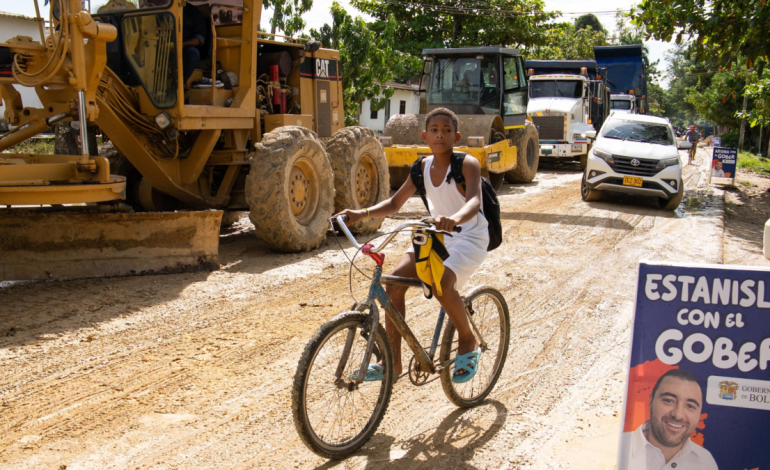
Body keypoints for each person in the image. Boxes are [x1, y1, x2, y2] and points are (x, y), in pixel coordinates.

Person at [335, 107, 488, 383]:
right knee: (393, 284)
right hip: (435, 234)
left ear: (457, 137)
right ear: (424, 136)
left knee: (442, 283)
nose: (440, 135)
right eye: (434, 130)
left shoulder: (467, 164)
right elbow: (395, 203)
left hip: (468, 235)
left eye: (446, 130)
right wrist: (361, 213)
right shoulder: (421, 168)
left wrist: (454, 219)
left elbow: (475, 201)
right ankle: (392, 363)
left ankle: (468, 340)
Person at [618, 369, 718, 470]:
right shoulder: (618, 447)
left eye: (690, 406)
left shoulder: (705, 461)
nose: (678, 415)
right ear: (651, 402)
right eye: (669, 401)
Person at [182, 2, 207, 84]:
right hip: (163, 46)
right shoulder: (163, 8)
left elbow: (199, 39)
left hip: (184, 47)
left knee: (193, 53)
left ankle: (178, 85)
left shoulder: (193, 11)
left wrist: (182, 44)